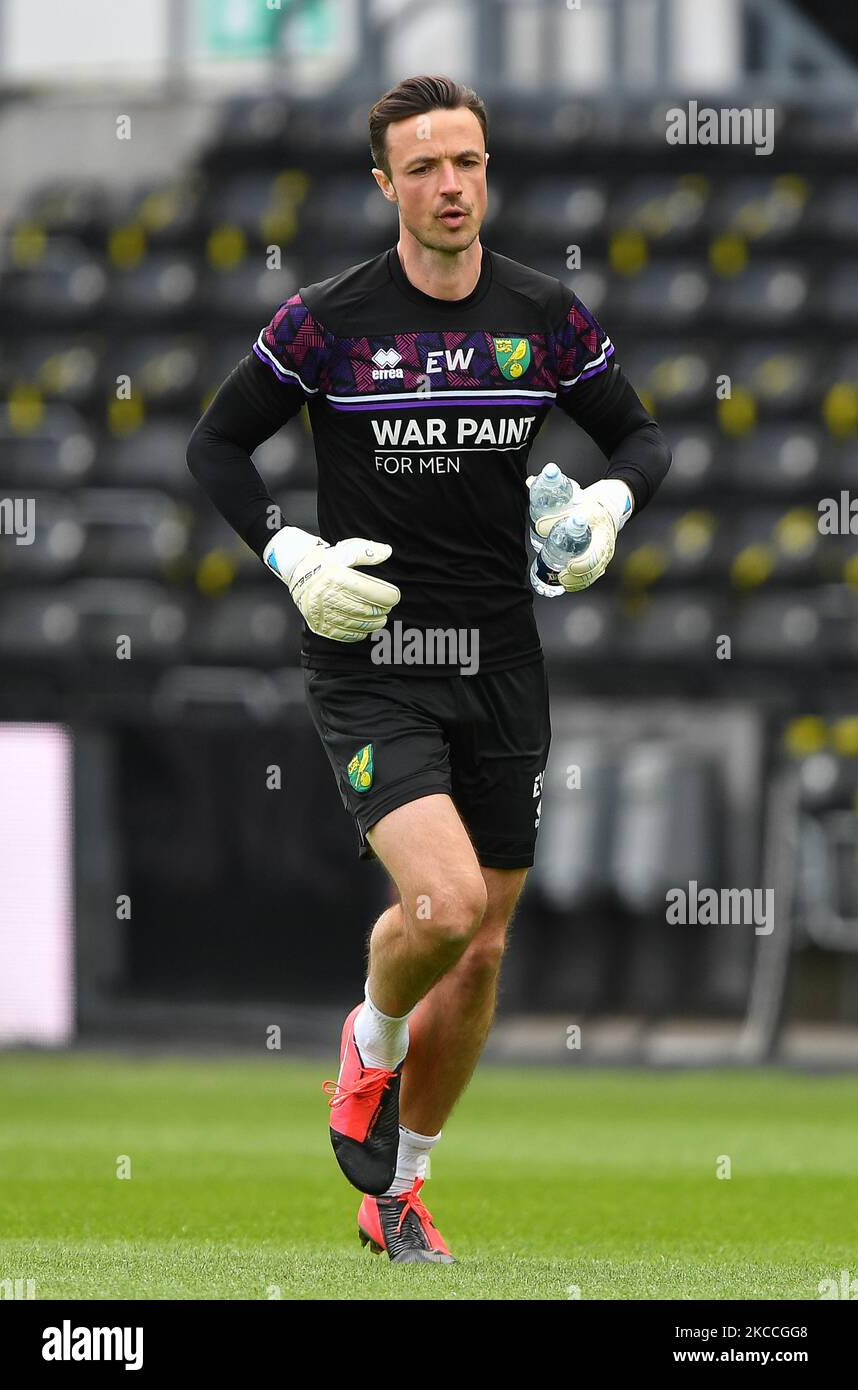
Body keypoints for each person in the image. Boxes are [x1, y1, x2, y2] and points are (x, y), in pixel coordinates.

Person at [187, 73, 671, 1264]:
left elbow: (642, 435)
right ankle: (369, 1038)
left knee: (486, 943)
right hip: (373, 655)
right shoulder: (325, 320)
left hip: (502, 656)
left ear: (484, 170)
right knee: (441, 905)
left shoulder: (542, 313)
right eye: (421, 167)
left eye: (464, 162)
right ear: (384, 184)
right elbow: (214, 445)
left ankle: (396, 1190)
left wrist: (605, 506)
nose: (448, 185)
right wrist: (289, 552)